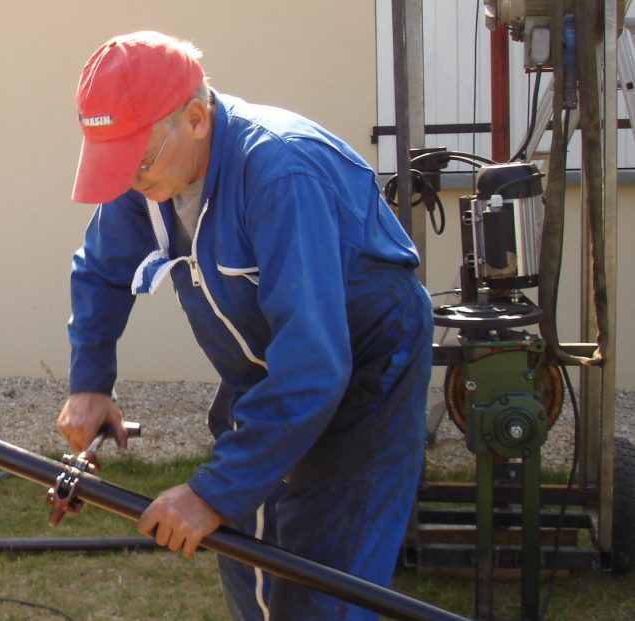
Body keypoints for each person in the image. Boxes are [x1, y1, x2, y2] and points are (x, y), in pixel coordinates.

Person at [56, 31, 433, 620]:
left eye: (137, 162)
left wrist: (210, 493)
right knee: (244, 553)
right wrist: (90, 382)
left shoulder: (281, 173)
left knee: (321, 580)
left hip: (364, 371)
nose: (129, 182)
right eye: (115, 164)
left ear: (196, 119)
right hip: (264, 369)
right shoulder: (149, 176)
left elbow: (313, 363)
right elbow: (101, 272)